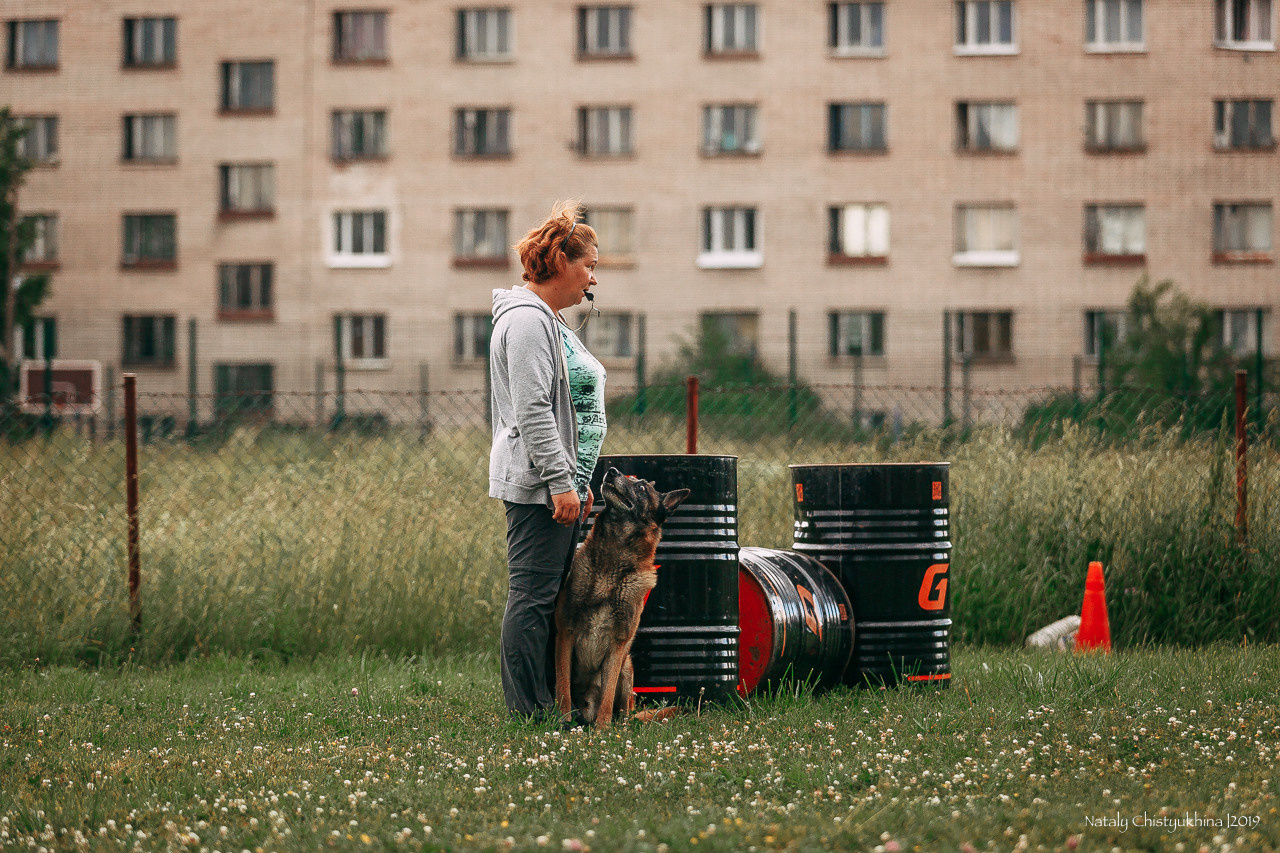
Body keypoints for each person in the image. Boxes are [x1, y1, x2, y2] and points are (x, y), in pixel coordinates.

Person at [489, 200, 606, 721]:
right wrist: (561, 482)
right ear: (560, 262)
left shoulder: (543, 319)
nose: (592, 279)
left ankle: (545, 705)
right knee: (532, 597)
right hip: (538, 485)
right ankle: (528, 713)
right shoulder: (528, 323)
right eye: (589, 266)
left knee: (543, 597)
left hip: (552, 485)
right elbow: (534, 408)